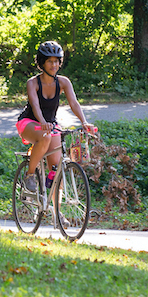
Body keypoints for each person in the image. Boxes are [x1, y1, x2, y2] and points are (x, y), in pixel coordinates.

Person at [16, 40, 96, 193]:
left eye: (57, 62)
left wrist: (84, 122)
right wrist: (43, 122)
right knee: (45, 136)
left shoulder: (63, 82)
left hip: (50, 125)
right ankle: (29, 175)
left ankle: (56, 212)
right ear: (42, 63)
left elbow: (74, 103)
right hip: (30, 122)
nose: (54, 65)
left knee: (56, 169)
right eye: (50, 62)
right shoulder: (33, 83)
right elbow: (35, 105)